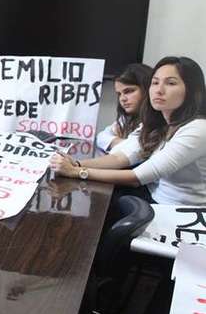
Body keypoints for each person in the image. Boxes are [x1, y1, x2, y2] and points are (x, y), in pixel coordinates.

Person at [50, 56, 206, 206]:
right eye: (155, 83)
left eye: (171, 83)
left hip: (179, 209)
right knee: (96, 198)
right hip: (153, 195)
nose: (159, 90)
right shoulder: (157, 122)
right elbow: (120, 158)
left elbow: (137, 177)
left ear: (192, 91)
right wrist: (77, 163)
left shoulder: (198, 129)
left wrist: (77, 172)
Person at [95, 63, 153, 152]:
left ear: (147, 89)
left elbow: (137, 150)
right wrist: (122, 142)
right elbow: (101, 137)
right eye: (119, 94)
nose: (122, 99)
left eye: (129, 91)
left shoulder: (156, 120)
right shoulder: (127, 118)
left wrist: (123, 144)